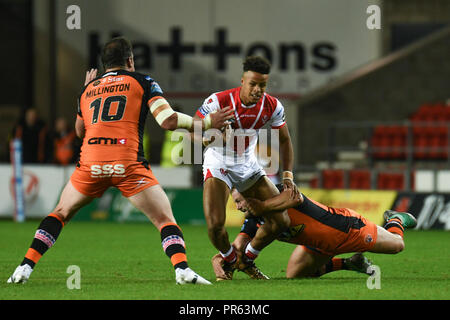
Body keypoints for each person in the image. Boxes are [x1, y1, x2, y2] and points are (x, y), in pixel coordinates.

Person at [7, 36, 234, 285]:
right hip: (126, 164)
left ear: (105, 65)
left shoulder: (88, 89)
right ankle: (181, 269)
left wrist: (84, 95)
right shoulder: (143, 81)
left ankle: (24, 268)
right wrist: (209, 122)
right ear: (130, 60)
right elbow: (168, 121)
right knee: (164, 220)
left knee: (60, 213)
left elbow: (80, 131)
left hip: (91, 164)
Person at [193, 56, 295, 280]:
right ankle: (229, 259)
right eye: (253, 84)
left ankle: (246, 259)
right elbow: (193, 130)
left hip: (247, 163)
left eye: (263, 85)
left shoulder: (273, 106)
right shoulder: (219, 101)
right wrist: (211, 136)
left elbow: (285, 140)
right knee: (215, 226)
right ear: (242, 81)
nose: (258, 89)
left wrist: (287, 174)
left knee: (281, 221)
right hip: (218, 161)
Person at [212, 186, 417, 280]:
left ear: (252, 195)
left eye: (239, 201)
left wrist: (264, 205)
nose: (237, 207)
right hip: (318, 245)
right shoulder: (253, 219)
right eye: (235, 202)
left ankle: (395, 219)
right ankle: (349, 263)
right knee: (294, 275)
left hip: (347, 230)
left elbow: (296, 197)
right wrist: (222, 257)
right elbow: (238, 246)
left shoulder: (276, 195)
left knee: (398, 245)